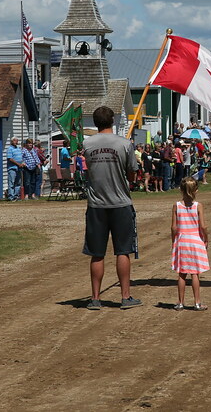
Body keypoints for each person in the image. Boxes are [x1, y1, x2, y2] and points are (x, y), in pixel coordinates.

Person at [83, 106, 141, 311]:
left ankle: (95, 299)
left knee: (97, 253)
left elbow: (88, 170)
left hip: (96, 204)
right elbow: (132, 175)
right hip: (121, 203)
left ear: (95, 123)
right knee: (123, 251)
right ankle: (125, 297)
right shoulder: (124, 144)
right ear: (113, 121)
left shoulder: (87, 144)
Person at [171, 176, 209, 310]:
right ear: (196, 190)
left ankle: (180, 303)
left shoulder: (176, 206)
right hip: (195, 241)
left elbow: (174, 227)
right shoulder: (198, 206)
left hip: (182, 241)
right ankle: (197, 303)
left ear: (181, 190)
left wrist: (173, 241)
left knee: (182, 274)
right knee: (195, 273)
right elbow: (203, 226)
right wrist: (206, 238)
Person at [4, 136, 25, 201]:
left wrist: (22, 163)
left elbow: (21, 157)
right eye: (15, 140)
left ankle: (16, 196)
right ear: (11, 141)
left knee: (18, 183)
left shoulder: (18, 149)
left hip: (19, 168)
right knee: (12, 182)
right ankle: (11, 197)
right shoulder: (10, 149)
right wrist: (18, 164)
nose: (16, 142)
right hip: (12, 168)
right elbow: (10, 159)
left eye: (17, 140)